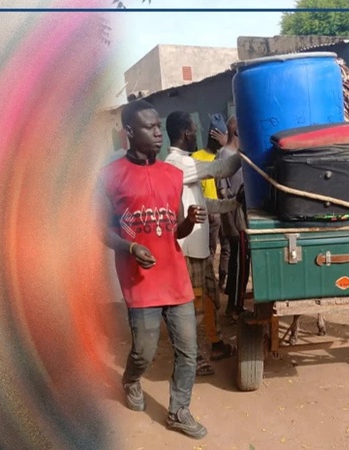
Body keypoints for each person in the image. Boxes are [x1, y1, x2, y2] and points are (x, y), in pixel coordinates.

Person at [94, 100, 208, 439]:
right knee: (143, 351)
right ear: (129, 132)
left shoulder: (172, 175)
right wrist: (130, 247)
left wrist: (187, 222)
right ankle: (130, 379)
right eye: (149, 127)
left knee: (188, 351)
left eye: (159, 127)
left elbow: (175, 230)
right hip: (140, 282)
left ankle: (179, 411)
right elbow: (101, 230)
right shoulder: (110, 177)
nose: (158, 133)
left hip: (175, 279)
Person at [164, 111, 243, 376]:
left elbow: (203, 204)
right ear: (186, 133)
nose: (197, 133)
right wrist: (244, 151)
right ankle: (192, 356)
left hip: (198, 247)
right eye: (194, 129)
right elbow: (220, 169)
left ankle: (215, 343)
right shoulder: (176, 163)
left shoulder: (186, 162)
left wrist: (233, 203)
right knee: (192, 307)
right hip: (187, 248)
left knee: (210, 299)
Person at [215, 116, 249, 319]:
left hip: (243, 218)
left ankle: (236, 301)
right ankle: (233, 307)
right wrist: (231, 223)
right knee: (239, 261)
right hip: (235, 219)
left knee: (243, 261)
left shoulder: (239, 154)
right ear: (237, 132)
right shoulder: (224, 156)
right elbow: (223, 191)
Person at [191, 114, 229, 290]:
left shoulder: (223, 156)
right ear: (213, 136)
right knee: (210, 250)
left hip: (225, 209)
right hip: (209, 212)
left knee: (226, 249)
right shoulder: (196, 157)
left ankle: (221, 281)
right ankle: (209, 283)